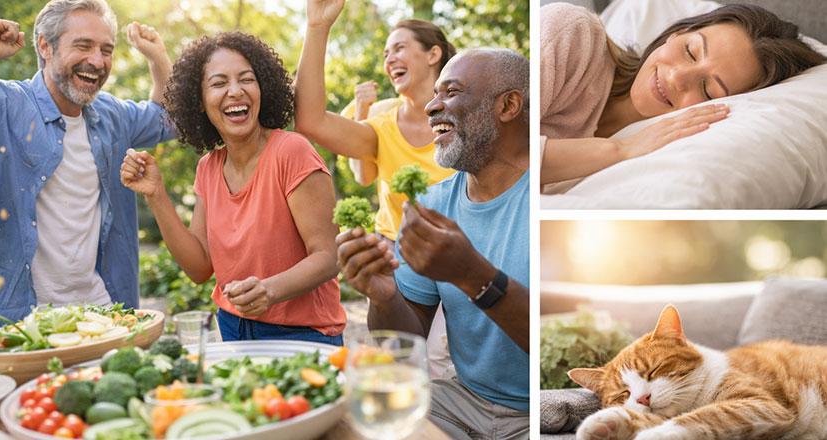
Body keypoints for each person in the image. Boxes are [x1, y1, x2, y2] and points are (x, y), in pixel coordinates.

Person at [337, 48, 530, 439]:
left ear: (508, 105)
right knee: (342, 416)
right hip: (463, 400)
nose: (431, 107)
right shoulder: (432, 203)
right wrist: (385, 295)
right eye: (435, 94)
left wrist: (473, 275)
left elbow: (546, 338)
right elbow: (403, 345)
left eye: (451, 92)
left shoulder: (546, 193)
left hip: (536, 409)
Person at [120, 32, 346, 345]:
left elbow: (328, 256)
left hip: (303, 333)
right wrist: (156, 194)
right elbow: (199, 268)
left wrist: (269, 290)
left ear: (262, 88)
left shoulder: (292, 151)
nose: (235, 91)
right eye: (218, 83)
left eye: (246, 79)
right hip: (232, 327)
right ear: (199, 101)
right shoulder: (208, 168)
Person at [0, 0, 173, 328]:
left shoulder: (113, 116)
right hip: (21, 327)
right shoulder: (3, 105)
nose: (97, 61)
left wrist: (158, 57)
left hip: (105, 319)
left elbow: (169, 118)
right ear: (45, 45)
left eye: (106, 50)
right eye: (83, 46)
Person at [540, 3, 827, 187]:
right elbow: (502, 158)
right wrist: (621, 150)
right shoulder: (571, 35)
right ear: (677, 33)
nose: (677, 77)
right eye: (691, 51)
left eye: (707, 89)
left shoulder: (676, 150)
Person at [295, 0, 457, 242]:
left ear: (433, 54)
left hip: (459, 254)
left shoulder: (466, 117)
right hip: (395, 255)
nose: (389, 60)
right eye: (386, 54)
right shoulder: (382, 125)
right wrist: (317, 26)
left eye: (399, 48)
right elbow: (311, 121)